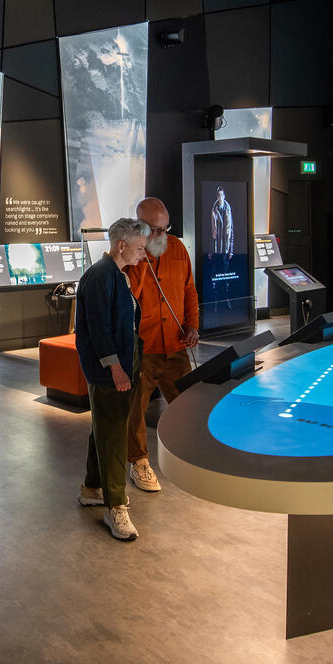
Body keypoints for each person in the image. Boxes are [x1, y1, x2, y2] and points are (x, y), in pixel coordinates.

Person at [76, 217, 150, 541]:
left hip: (123, 364)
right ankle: (115, 507)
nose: (143, 255)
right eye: (139, 248)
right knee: (114, 435)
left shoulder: (117, 275)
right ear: (121, 245)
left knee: (106, 429)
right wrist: (117, 369)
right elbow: (97, 329)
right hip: (110, 370)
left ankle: (92, 488)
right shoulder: (98, 277)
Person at [126, 197, 199, 492]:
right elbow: (132, 293)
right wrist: (142, 259)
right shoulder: (131, 254)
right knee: (135, 410)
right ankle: (138, 461)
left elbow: (189, 289)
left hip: (176, 345)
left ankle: (189, 453)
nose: (161, 235)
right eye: (154, 230)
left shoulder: (178, 248)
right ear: (140, 227)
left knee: (189, 403)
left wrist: (193, 324)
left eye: (165, 229)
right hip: (144, 347)